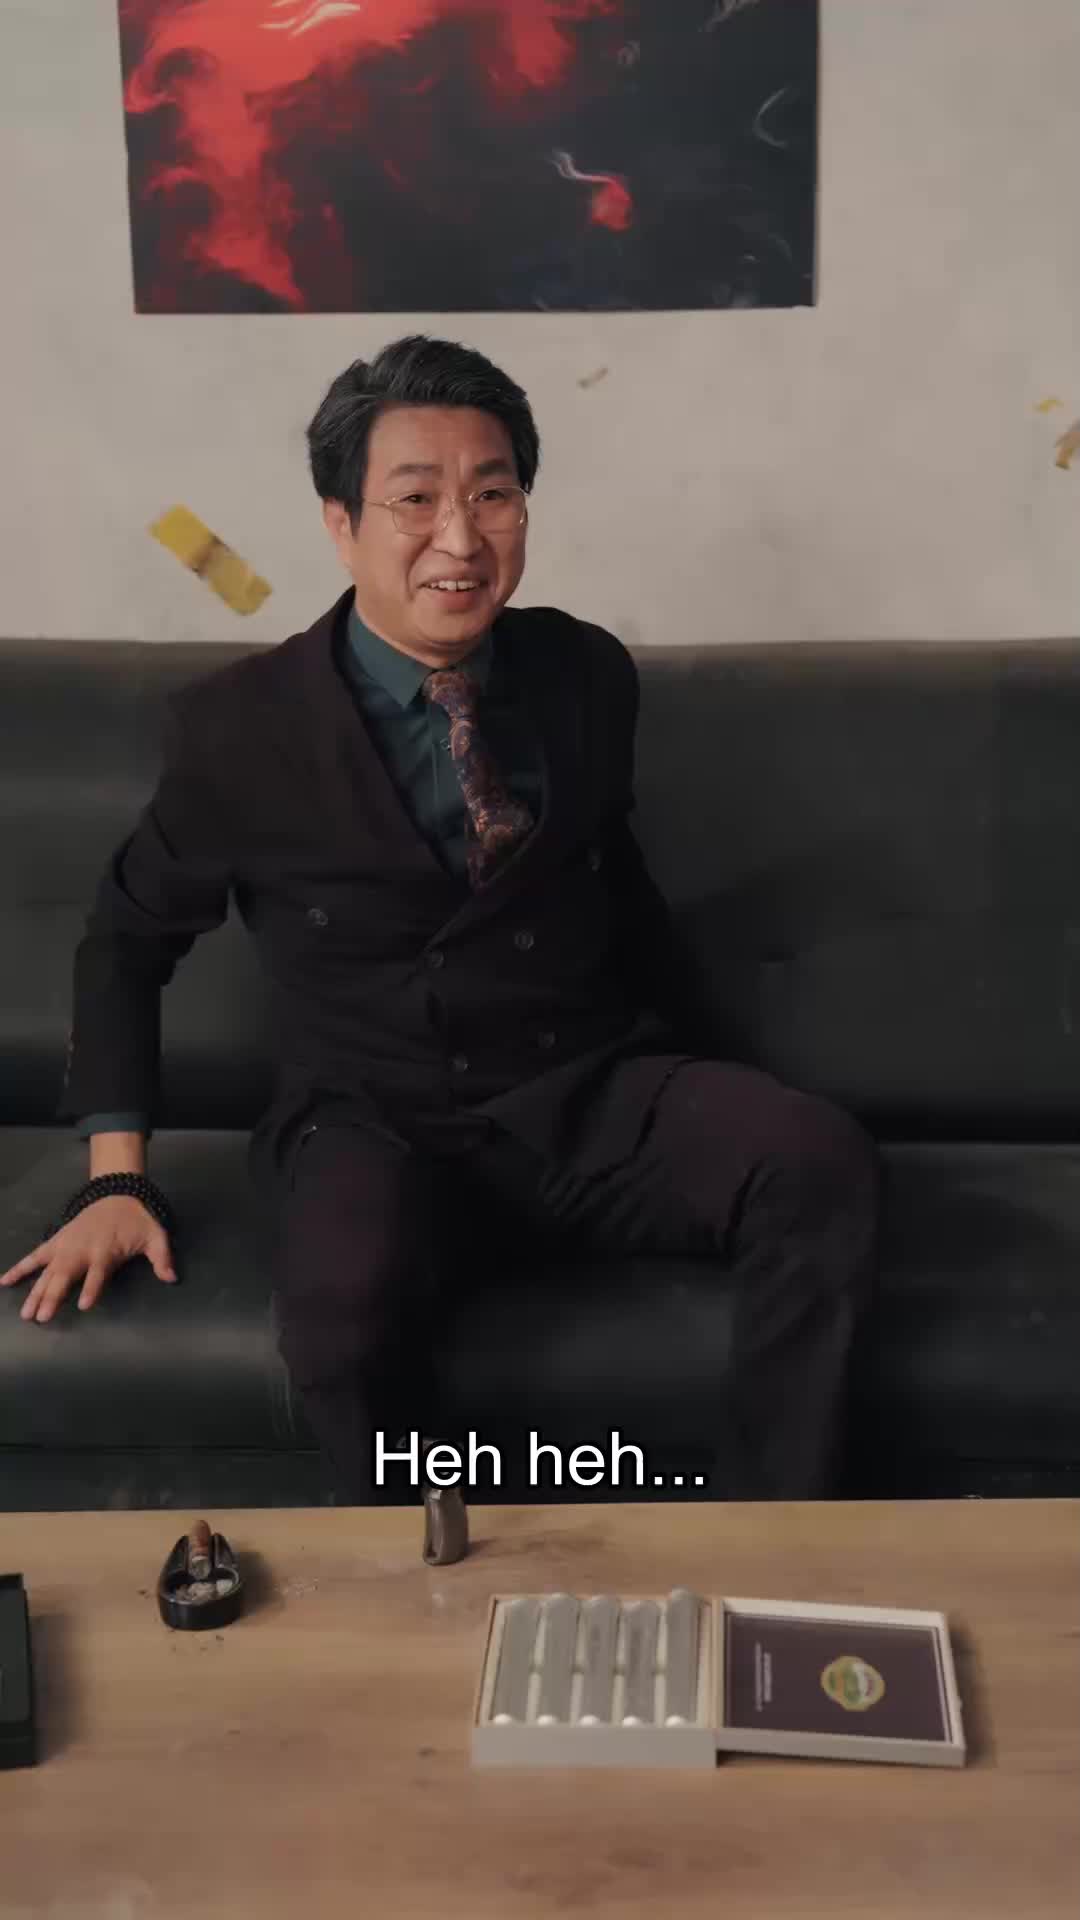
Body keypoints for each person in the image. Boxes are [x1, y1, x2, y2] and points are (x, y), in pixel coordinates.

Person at [0, 336, 879, 1502]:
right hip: (376, 1120)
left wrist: (717, 1073)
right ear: (341, 523)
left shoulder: (585, 674)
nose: (461, 539)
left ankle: (769, 1538)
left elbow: (615, 884)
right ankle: (446, 1559)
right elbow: (124, 940)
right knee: (338, 1315)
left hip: (583, 1093)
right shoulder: (238, 731)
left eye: (493, 494)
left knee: (815, 1160)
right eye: (415, 499)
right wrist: (116, 1177)